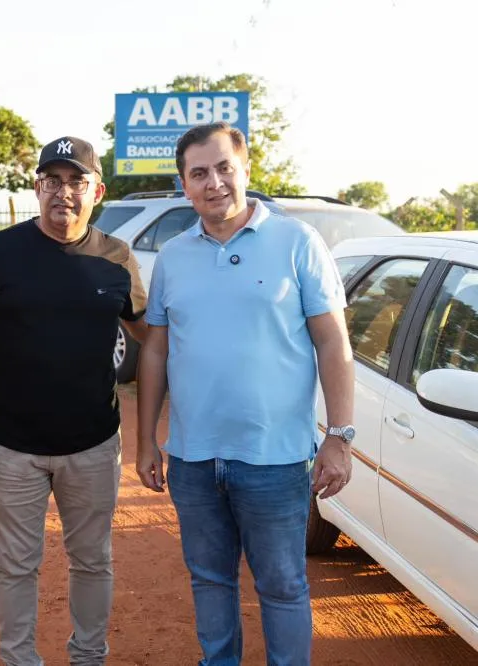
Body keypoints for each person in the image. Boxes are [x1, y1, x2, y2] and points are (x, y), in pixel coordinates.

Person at [135, 121, 355, 666]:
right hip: (193, 457)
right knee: (210, 581)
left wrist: (340, 437)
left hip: (275, 458)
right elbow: (156, 352)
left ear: (246, 169)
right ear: (184, 186)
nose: (214, 183)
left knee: (282, 586)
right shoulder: (174, 257)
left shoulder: (297, 242)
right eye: (199, 173)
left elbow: (333, 344)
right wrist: (144, 442)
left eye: (223, 167)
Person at [0, 136, 148, 666]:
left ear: (96, 191)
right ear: (37, 187)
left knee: (93, 562)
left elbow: (152, 337)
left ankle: (89, 657)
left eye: (76, 181)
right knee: (15, 565)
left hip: (94, 444)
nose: (63, 192)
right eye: (51, 181)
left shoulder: (117, 258)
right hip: (11, 447)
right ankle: (19, 660)